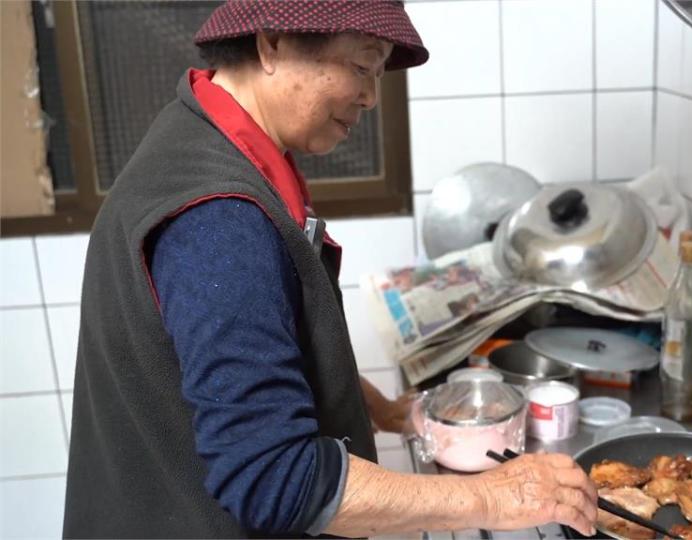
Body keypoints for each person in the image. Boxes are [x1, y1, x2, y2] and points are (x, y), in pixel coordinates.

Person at [62, 1, 597, 538]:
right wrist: (491, 497)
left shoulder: (206, 136)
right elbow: (274, 480)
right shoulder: (219, 218)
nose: (369, 96)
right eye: (362, 66)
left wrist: (381, 410)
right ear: (273, 43)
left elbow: (256, 352)